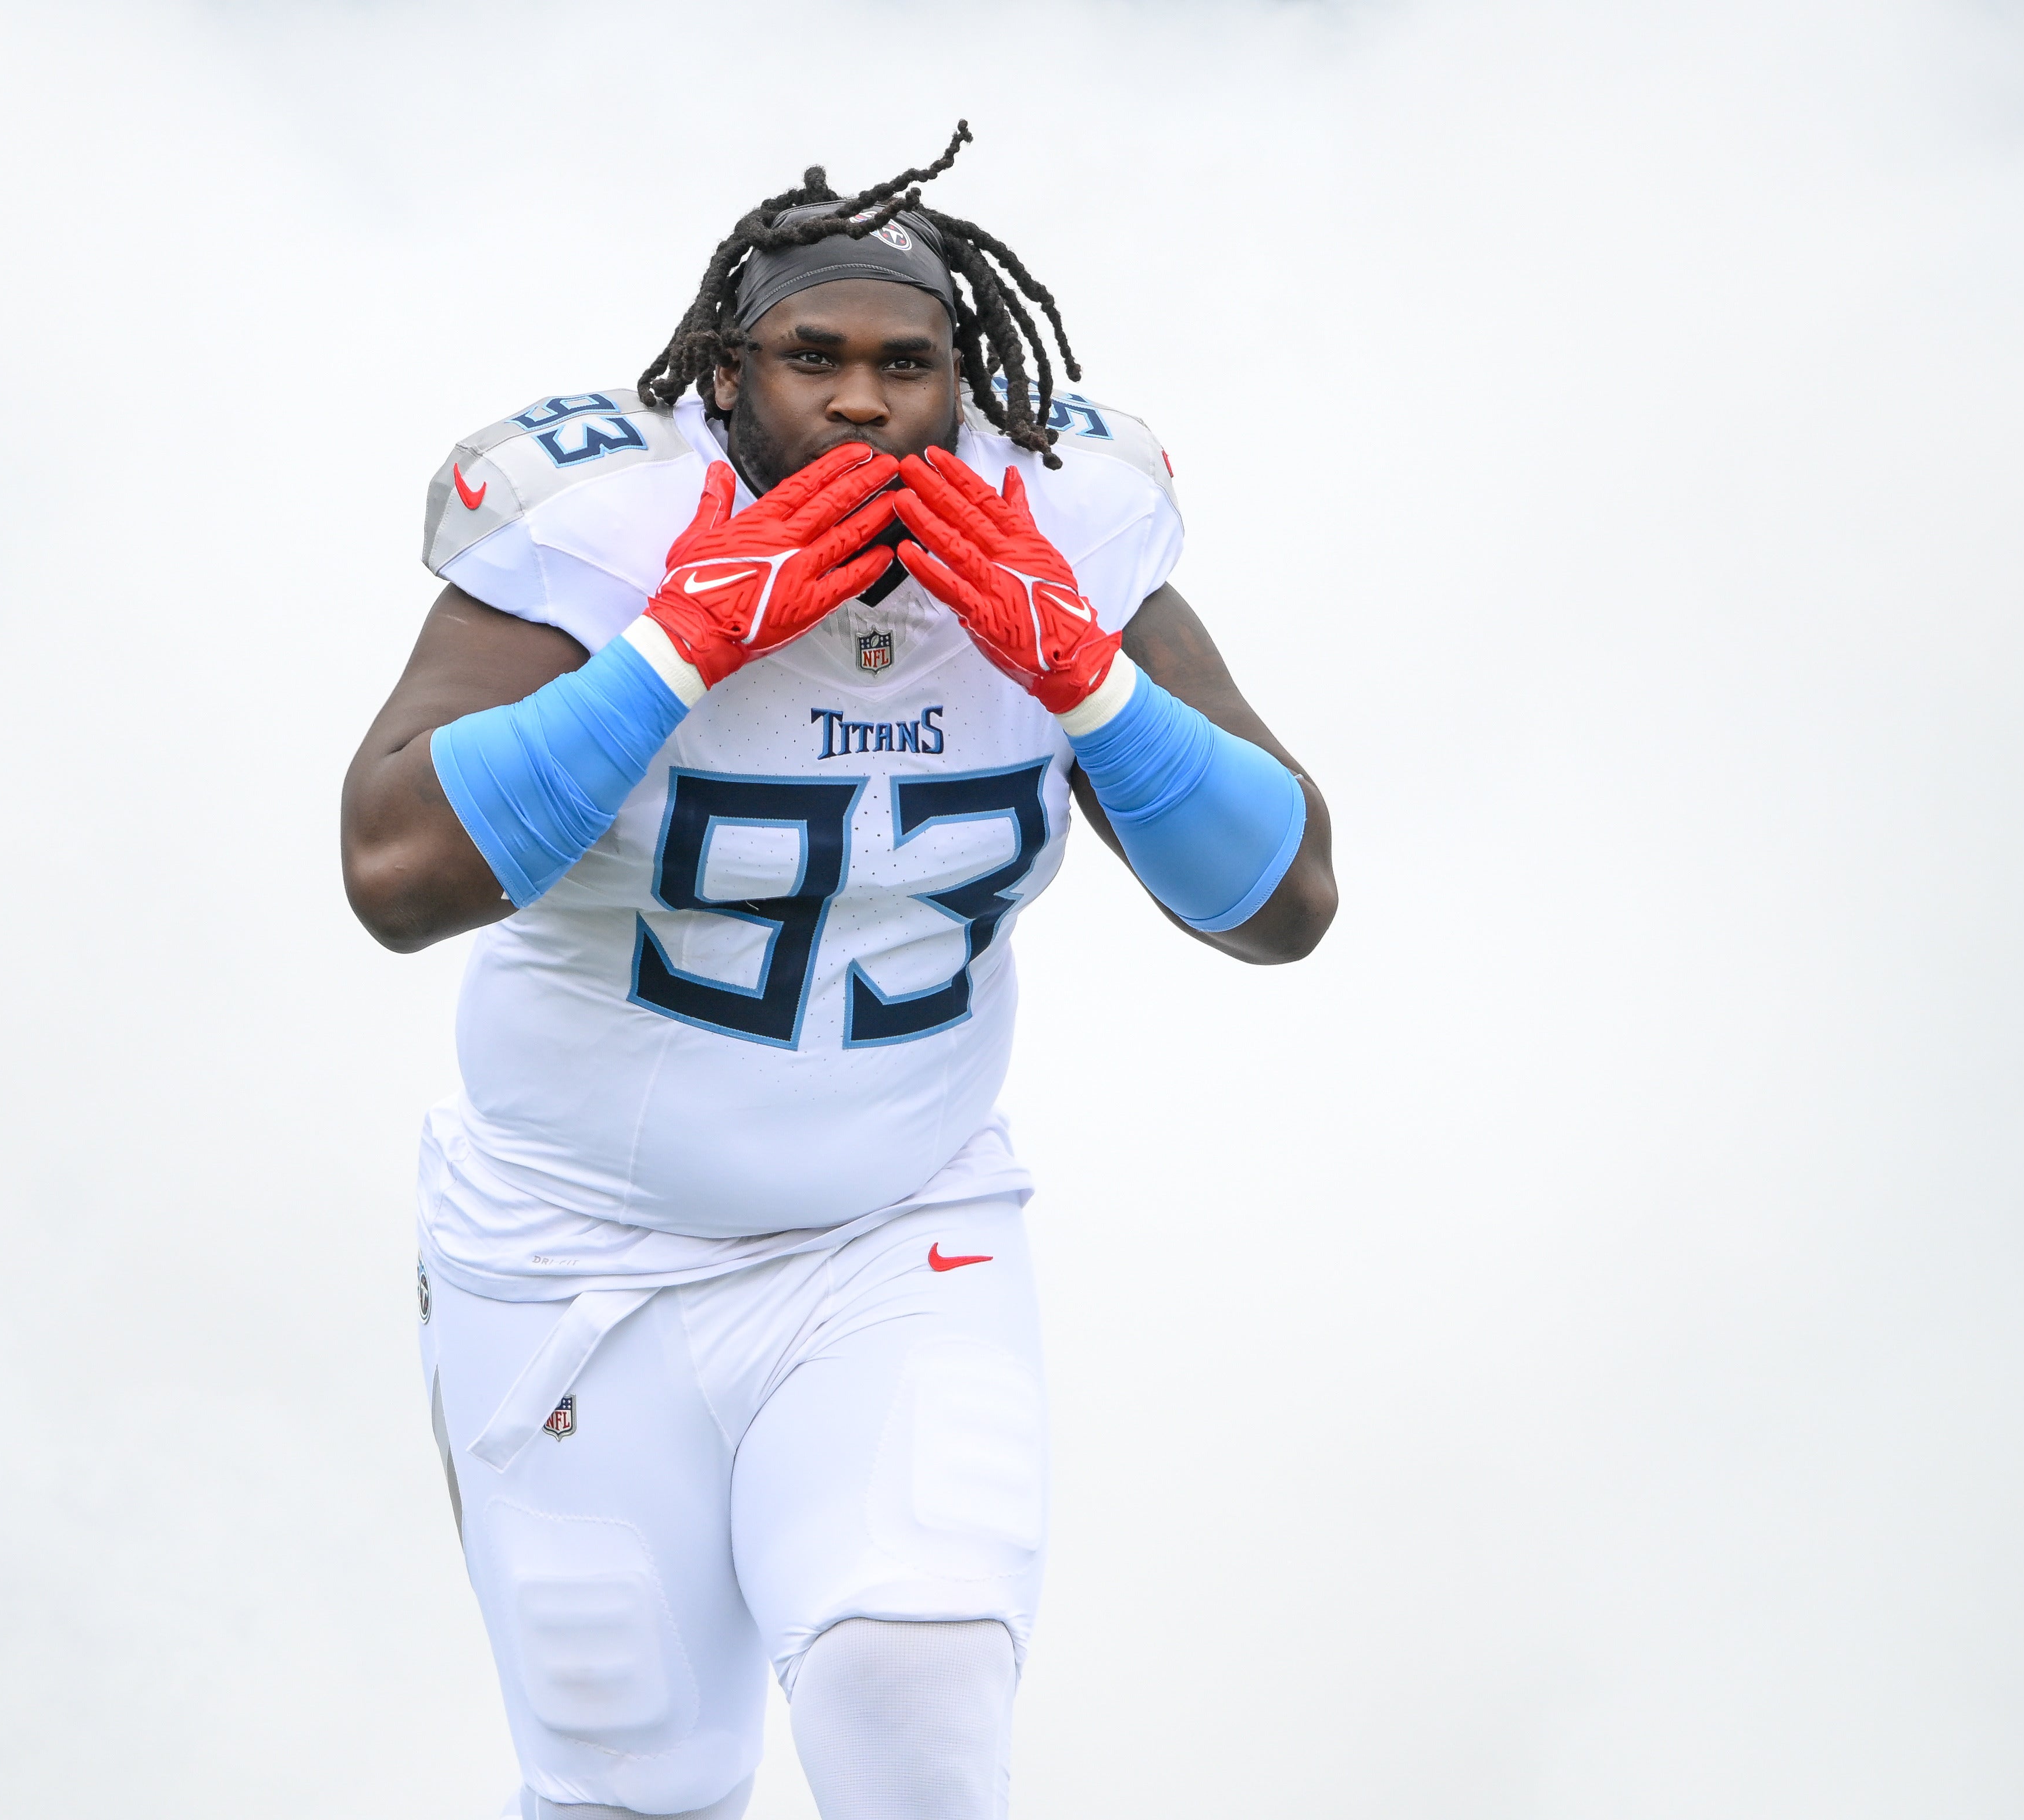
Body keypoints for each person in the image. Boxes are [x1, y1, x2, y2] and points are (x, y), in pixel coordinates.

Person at [340, 123, 1335, 1820]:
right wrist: (680, 643)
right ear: (728, 379)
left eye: (909, 366)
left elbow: (1283, 894)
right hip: (570, 1254)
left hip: (894, 1226)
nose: (863, 406)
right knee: (627, 1783)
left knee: (917, 1691)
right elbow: (395, 870)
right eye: (815, 361)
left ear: (968, 381)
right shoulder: (606, 528)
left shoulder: (1057, 528)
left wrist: (1085, 676)